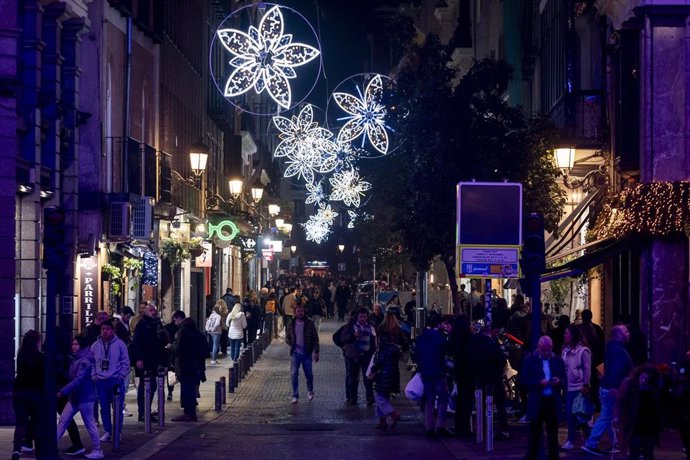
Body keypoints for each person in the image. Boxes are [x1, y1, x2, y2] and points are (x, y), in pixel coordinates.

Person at [582, 324, 632, 456]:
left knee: (608, 415)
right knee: (607, 416)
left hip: (608, 387)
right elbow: (616, 371)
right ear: (619, 335)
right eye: (626, 331)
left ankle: (614, 443)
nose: (628, 333)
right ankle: (591, 443)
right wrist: (616, 387)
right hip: (612, 388)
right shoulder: (618, 350)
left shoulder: (613, 347)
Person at [57, 335, 103, 459]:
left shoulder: (84, 361)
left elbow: (79, 380)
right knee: (63, 420)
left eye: (76, 344)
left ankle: (98, 450)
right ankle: (52, 444)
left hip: (84, 397)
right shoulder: (77, 359)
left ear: (81, 345)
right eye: (73, 344)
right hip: (75, 397)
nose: (74, 346)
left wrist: (63, 391)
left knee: (89, 424)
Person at [521, 335, 566, 460]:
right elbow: (524, 380)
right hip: (537, 400)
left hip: (551, 400)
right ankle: (532, 456)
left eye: (549, 349)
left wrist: (558, 381)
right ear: (538, 347)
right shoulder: (530, 359)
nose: (546, 352)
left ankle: (553, 456)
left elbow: (564, 378)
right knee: (535, 431)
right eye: (544, 349)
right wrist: (538, 383)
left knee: (553, 432)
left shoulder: (557, 360)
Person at [91, 320, 130, 442]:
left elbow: (125, 362)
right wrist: (94, 375)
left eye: (108, 329)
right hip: (101, 381)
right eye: (103, 329)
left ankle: (117, 432)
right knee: (104, 407)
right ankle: (108, 431)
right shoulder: (95, 345)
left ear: (112, 331)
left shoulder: (120, 344)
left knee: (117, 408)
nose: (105, 331)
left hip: (115, 380)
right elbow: (91, 362)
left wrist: (121, 375)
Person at [616, 364, 663, 460]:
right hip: (634, 422)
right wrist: (617, 416)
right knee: (634, 449)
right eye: (642, 376)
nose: (643, 380)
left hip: (649, 423)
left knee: (648, 450)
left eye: (647, 378)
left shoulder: (655, 387)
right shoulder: (630, 383)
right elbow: (620, 401)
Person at [414, 315, 450, 437]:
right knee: (443, 398)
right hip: (438, 372)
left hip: (426, 372)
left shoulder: (422, 337)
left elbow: (416, 354)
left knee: (429, 399)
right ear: (438, 324)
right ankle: (440, 425)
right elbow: (445, 352)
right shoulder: (440, 338)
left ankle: (429, 427)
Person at [129, 303, 166, 423]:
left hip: (153, 359)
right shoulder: (142, 324)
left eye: (154, 310)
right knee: (145, 386)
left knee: (152, 385)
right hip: (145, 359)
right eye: (151, 310)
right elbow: (137, 342)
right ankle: (143, 413)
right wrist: (139, 358)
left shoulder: (155, 323)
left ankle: (146, 411)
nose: (153, 312)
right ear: (145, 312)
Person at [11, 331, 44, 460]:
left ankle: (16, 450)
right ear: (36, 341)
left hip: (19, 392)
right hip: (35, 393)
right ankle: (38, 449)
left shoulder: (21, 355)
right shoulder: (40, 357)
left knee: (20, 423)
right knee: (36, 421)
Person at [171, 313, 209, 422]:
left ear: (178, 319)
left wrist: (171, 348)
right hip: (196, 367)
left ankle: (188, 413)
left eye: (175, 320)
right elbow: (206, 349)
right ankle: (191, 413)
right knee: (191, 390)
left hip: (185, 366)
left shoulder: (182, 332)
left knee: (187, 390)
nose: (175, 323)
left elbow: (178, 348)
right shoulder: (197, 333)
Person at [561, 324, 592, 451]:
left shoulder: (583, 351)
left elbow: (587, 368)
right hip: (568, 387)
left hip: (578, 388)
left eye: (566, 333)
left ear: (573, 335)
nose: (564, 335)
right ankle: (578, 439)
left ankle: (585, 439)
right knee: (572, 415)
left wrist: (585, 384)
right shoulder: (566, 350)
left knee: (580, 415)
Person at [369, 314, 402, 431]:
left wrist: (373, 369)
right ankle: (382, 421)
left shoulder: (384, 339)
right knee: (384, 395)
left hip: (384, 372)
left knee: (378, 396)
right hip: (394, 371)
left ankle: (393, 414)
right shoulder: (397, 336)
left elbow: (381, 357)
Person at [340, 307, 377, 406]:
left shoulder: (371, 326)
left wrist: (374, 352)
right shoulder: (351, 326)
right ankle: (352, 398)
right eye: (360, 317)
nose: (362, 319)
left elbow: (374, 340)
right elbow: (343, 338)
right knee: (352, 378)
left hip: (366, 355)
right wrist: (353, 335)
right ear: (357, 317)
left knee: (368, 376)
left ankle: (370, 397)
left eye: (364, 317)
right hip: (353, 356)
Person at [284, 304, 320, 403]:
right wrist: (291, 343)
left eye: (301, 311)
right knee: (294, 374)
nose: (300, 313)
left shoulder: (309, 324)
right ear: (295, 312)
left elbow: (315, 338)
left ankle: (310, 390)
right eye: (298, 311)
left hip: (307, 353)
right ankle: (295, 395)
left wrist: (316, 351)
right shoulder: (291, 324)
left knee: (309, 374)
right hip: (295, 353)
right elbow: (287, 337)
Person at [164, 310, 185, 401]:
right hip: (176, 355)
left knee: (171, 373)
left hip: (173, 354)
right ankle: (182, 397)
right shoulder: (182, 329)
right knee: (179, 375)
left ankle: (170, 392)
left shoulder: (169, 328)